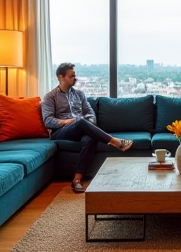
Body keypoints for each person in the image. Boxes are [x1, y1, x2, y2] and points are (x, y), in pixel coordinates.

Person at [41, 62, 133, 193]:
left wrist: (86, 122)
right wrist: (68, 122)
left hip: (80, 129)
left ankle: (77, 180)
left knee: (90, 138)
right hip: (61, 132)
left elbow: (90, 113)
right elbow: (48, 121)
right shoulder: (50, 97)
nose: (75, 78)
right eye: (71, 76)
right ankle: (115, 142)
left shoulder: (79, 94)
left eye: (75, 75)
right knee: (80, 121)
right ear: (60, 77)